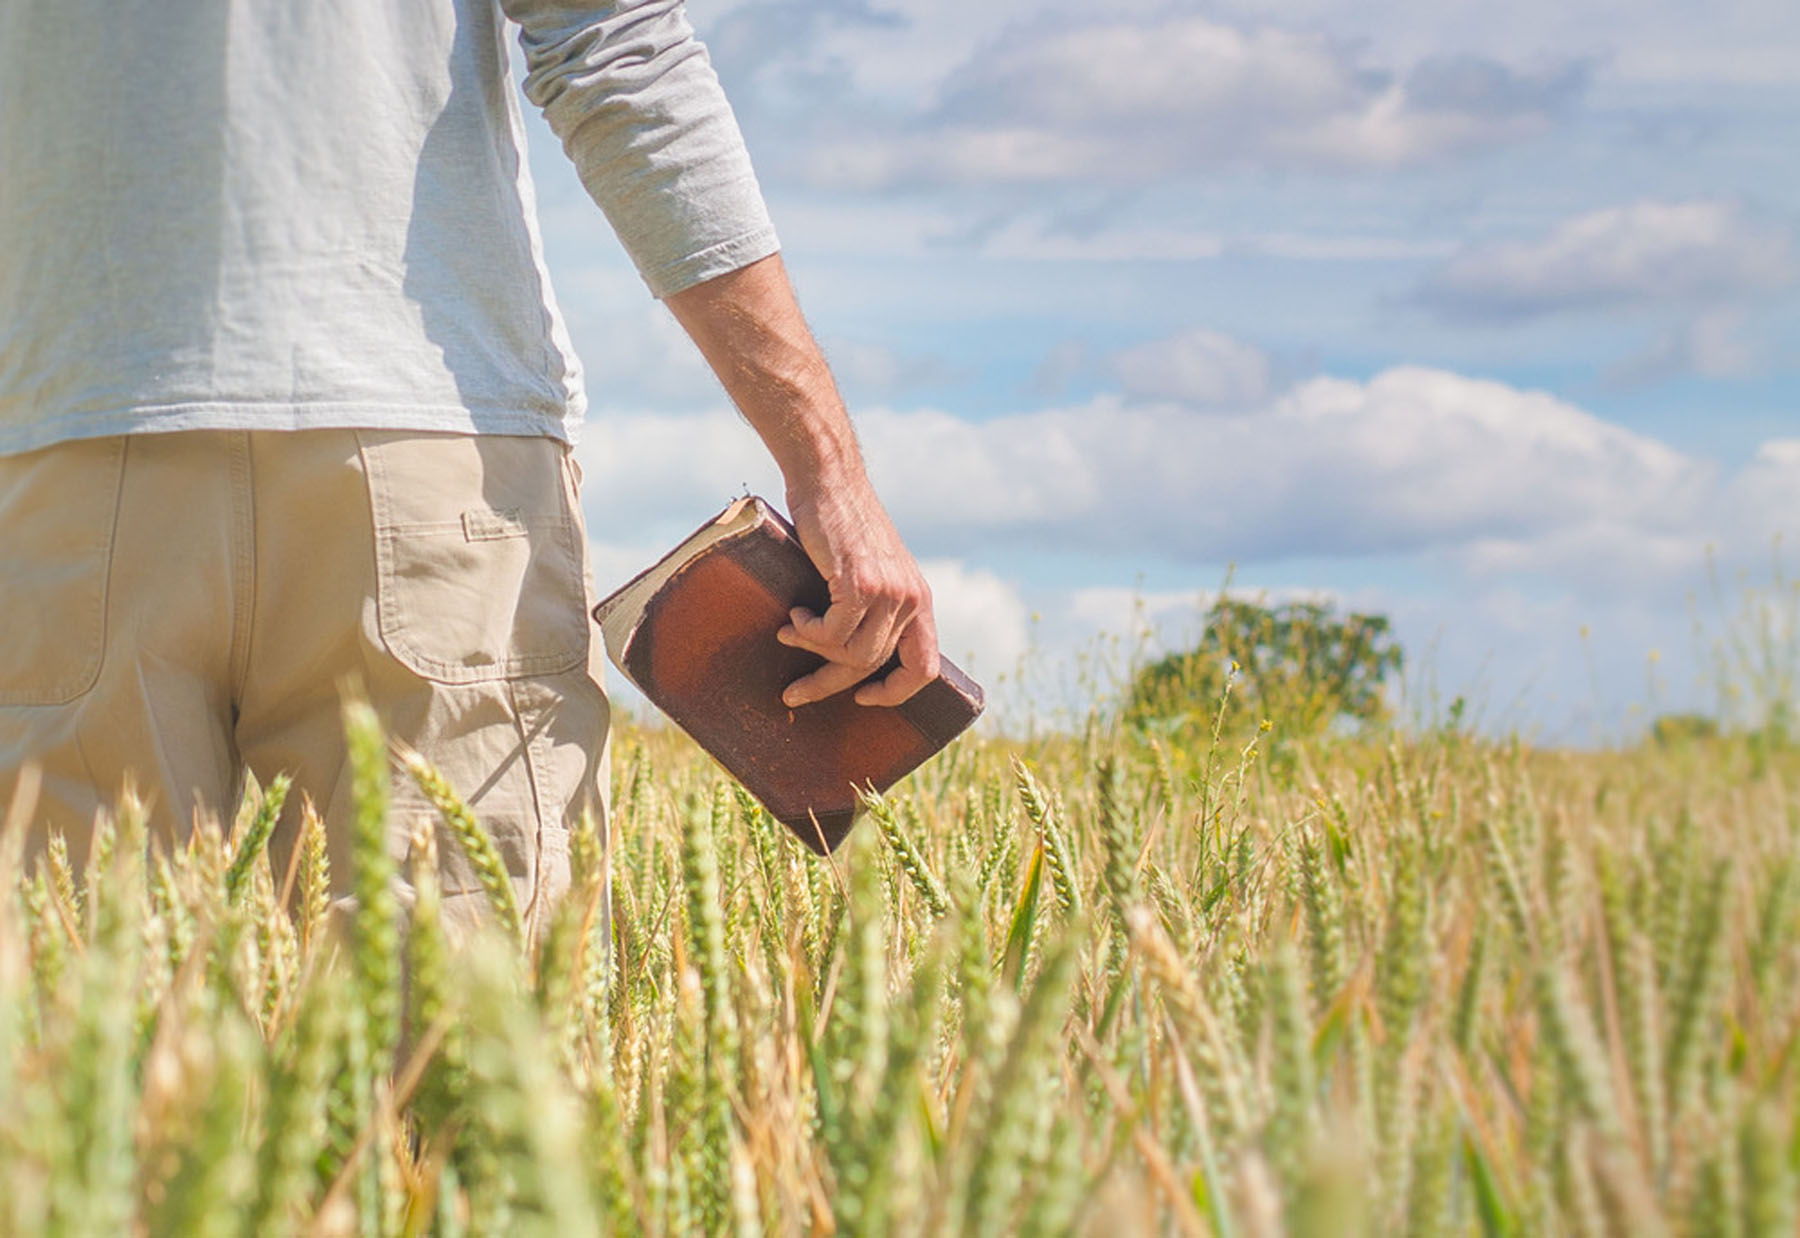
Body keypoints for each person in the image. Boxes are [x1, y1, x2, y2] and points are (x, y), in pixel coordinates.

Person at [0, 0, 938, 929]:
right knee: (464, 1055)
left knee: (77, 1032)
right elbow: (618, 47)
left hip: (66, 437)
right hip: (426, 444)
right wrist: (827, 470)